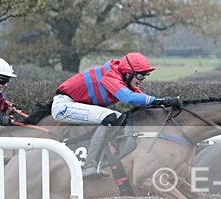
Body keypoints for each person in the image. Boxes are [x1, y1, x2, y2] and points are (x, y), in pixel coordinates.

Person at [51, 52, 181, 177]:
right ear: (129, 73)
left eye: (144, 76)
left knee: (118, 118)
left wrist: (166, 103)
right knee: (112, 117)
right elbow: (128, 98)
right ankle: (89, 166)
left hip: (75, 104)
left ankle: (100, 159)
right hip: (63, 106)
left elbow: (142, 100)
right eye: (140, 76)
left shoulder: (123, 79)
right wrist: (160, 100)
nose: (142, 80)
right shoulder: (110, 76)